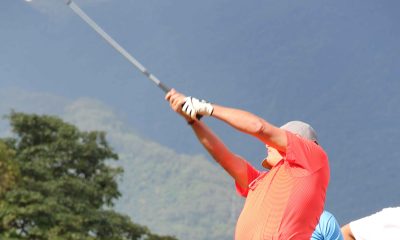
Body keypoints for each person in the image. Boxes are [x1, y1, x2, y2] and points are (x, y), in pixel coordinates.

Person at [166, 89, 330, 239]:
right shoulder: (259, 181)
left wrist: (205, 107)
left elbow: (259, 127)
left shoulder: (313, 158)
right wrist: (193, 121)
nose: (267, 144)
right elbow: (225, 158)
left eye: (279, 137)